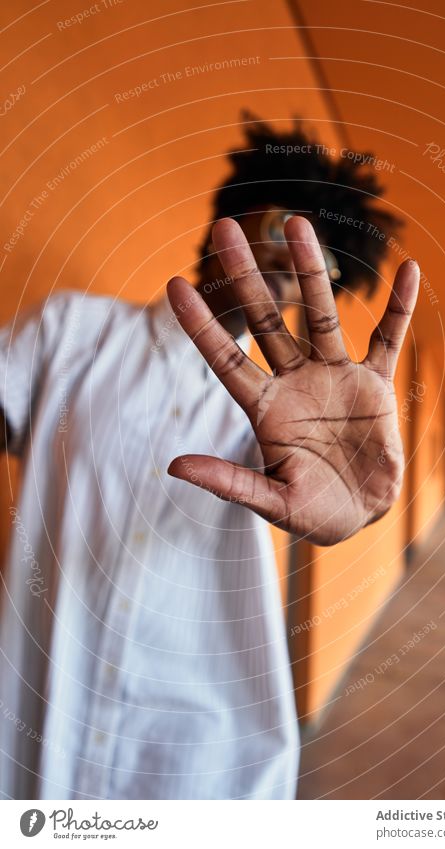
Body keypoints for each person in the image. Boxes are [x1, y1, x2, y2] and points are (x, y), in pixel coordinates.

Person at [0, 116, 419, 800]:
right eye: (287, 222)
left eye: (326, 258)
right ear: (231, 216)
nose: (297, 255)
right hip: (32, 743)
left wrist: (353, 497)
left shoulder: (293, 417)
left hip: (202, 768)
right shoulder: (70, 330)